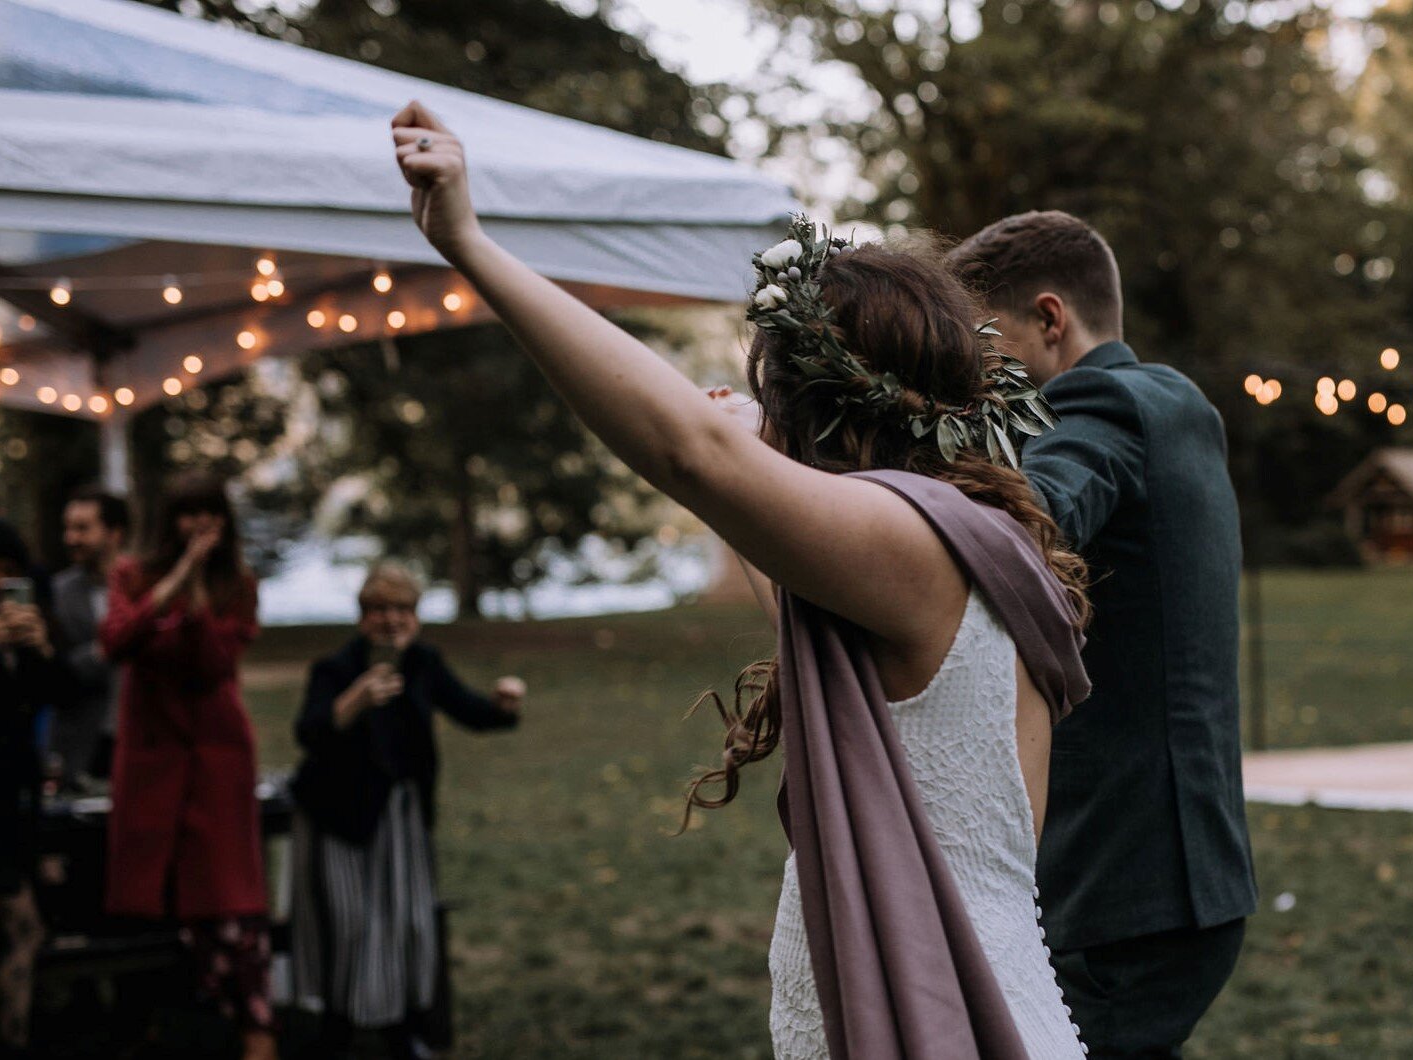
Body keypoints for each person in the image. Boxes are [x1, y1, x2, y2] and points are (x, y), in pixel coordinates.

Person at [391, 102, 1093, 1058]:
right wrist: (741, 460)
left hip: (938, 1012)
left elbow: (686, 453)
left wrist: (470, 245)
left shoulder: (914, 544)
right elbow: (773, 559)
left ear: (813, 407)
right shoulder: (948, 550)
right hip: (940, 994)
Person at [949, 211, 1257, 1058]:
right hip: (1184, 878)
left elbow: (1023, 525)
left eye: (984, 347)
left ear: (1050, 320)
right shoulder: (1177, 404)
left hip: (1120, 893)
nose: (973, 383)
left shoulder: (1098, 403)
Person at [290, 561, 525, 1058]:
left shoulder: (424, 663)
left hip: (401, 814)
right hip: (341, 817)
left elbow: (471, 712)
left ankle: (402, 1028)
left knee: (408, 921)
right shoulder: (335, 669)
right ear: (362, 618)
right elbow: (309, 733)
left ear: (415, 617)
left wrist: (504, 705)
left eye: (402, 610)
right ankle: (337, 1028)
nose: (391, 620)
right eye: (379, 610)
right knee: (350, 922)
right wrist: (354, 700)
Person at [99, 472, 275, 1060]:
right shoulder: (130, 574)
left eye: (210, 514)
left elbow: (213, 665)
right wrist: (174, 585)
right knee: (148, 895)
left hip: (216, 752)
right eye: (187, 514)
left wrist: (197, 605)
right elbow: (117, 640)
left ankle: (256, 1028)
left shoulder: (239, 585)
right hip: (152, 752)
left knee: (228, 893)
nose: (199, 527)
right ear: (169, 521)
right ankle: (150, 1024)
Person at [0, 516, 55, 1057]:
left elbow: (52, 699)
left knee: (21, 931)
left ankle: (10, 1039)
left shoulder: (21, 630)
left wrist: (41, 649)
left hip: (7, 812)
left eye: (9, 573)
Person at [48, 486, 130, 789]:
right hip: (80, 748)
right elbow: (54, 670)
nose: (71, 539)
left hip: (137, 740)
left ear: (115, 533)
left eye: (82, 528)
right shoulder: (57, 593)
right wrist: (104, 650)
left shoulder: (145, 588)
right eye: (68, 528)